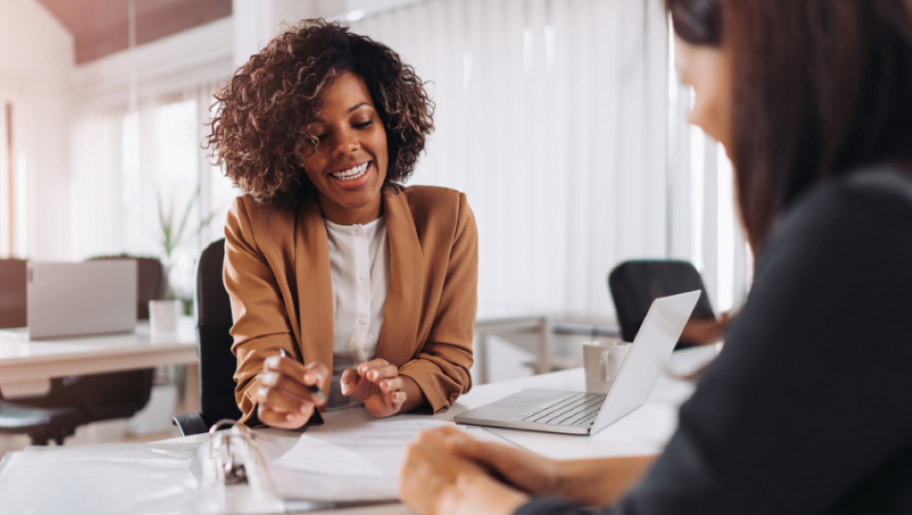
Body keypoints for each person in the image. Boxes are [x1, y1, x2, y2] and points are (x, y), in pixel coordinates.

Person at [399, 0, 912, 513]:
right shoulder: (884, 218)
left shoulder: (855, 237)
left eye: (691, 83)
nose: (696, 114)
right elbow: (745, 477)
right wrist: (555, 477)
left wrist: (454, 493)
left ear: (772, 64)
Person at [207, 20, 478, 429]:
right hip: (298, 449)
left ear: (389, 122)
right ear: (288, 153)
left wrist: (399, 391)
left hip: (401, 441)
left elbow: (450, 359)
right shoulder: (254, 225)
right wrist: (276, 395)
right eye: (315, 137)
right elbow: (259, 367)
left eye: (362, 122)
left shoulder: (446, 218)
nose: (346, 147)